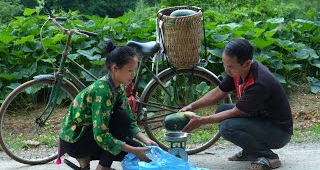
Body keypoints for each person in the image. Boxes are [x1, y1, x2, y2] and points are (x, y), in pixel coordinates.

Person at [180, 38, 293, 170]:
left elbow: (237, 112)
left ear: (246, 63)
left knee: (227, 127)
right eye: (224, 64)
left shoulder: (259, 83)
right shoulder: (238, 70)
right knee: (221, 110)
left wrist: (201, 120)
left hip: (278, 132)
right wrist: (192, 106)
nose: (226, 70)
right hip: (260, 119)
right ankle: (250, 151)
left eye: (230, 66)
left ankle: (269, 156)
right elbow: (219, 91)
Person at [59, 41, 158, 170]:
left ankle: (86, 164)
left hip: (90, 135)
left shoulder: (118, 87)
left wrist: (145, 140)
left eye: (134, 70)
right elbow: (101, 135)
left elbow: (130, 120)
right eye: (130, 71)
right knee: (122, 121)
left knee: (138, 145)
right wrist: (134, 150)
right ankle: (102, 167)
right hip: (76, 142)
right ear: (115, 68)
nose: (133, 75)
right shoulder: (102, 91)